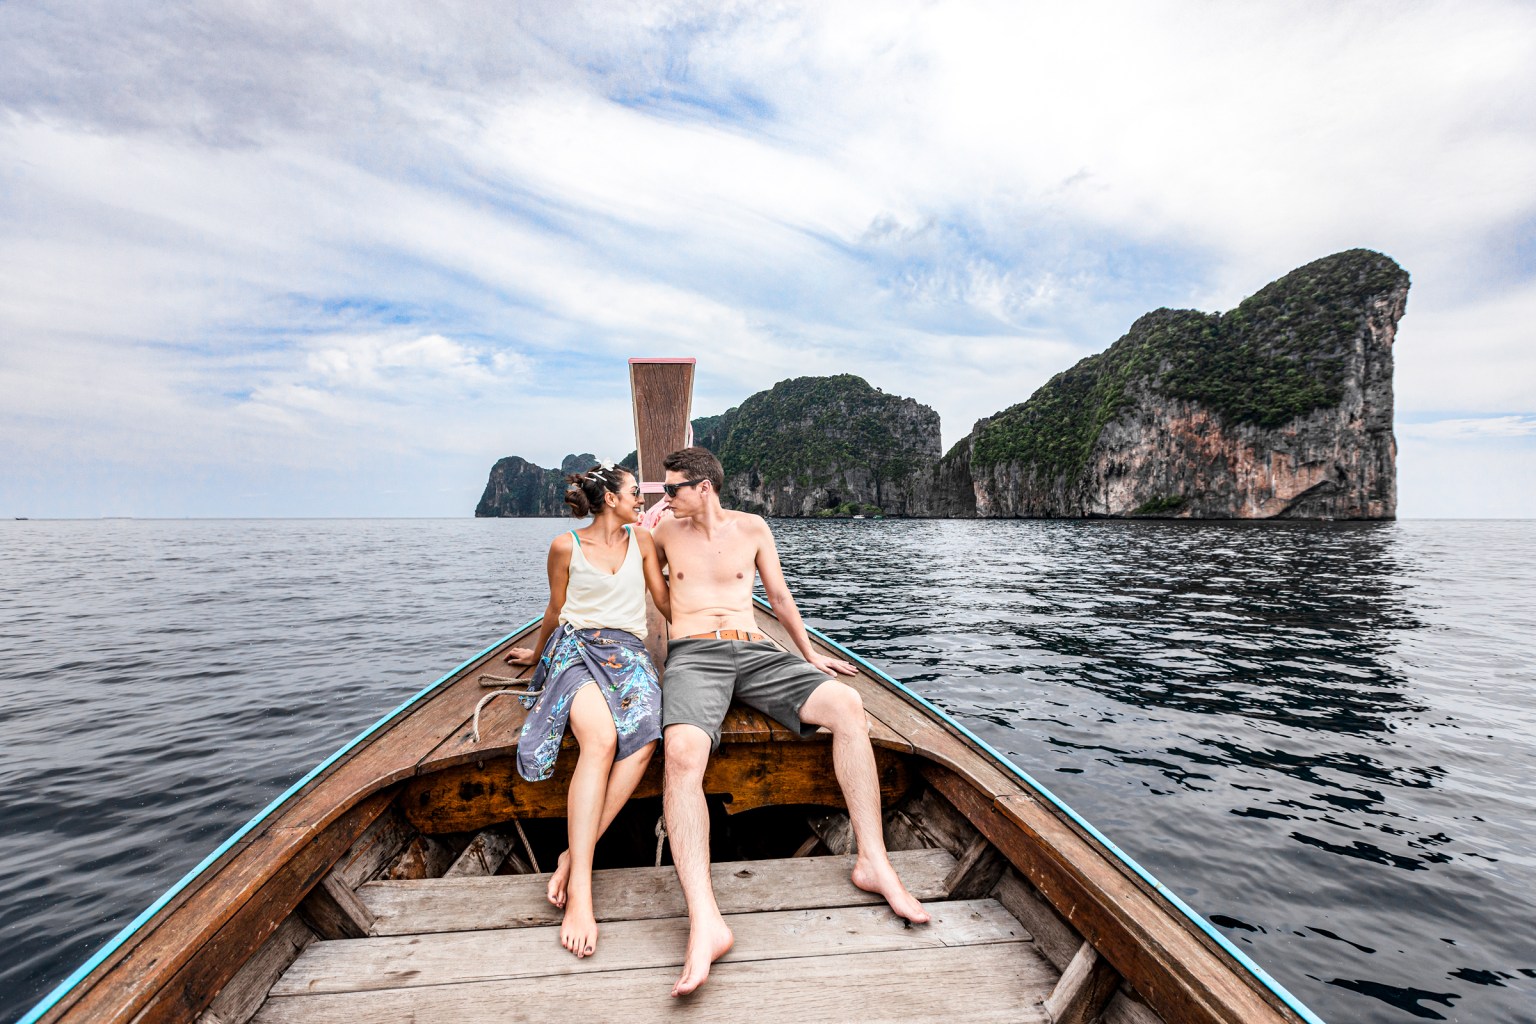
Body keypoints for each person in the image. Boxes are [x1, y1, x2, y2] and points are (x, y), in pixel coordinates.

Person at [651, 446, 931, 997]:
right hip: (695, 655)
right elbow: (657, 595)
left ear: (703, 486)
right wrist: (688, 625)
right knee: (682, 753)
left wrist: (809, 655)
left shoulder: (753, 528)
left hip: (756, 649)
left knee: (848, 706)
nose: (665, 497)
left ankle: (874, 861)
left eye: (672, 488)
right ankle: (706, 922)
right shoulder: (661, 533)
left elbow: (779, 597)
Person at [503, 462, 670, 959]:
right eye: (635, 492)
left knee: (646, 734)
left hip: (629, 653)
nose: (641, 499)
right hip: (575, 650)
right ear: (611, 499)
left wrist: (717, 631)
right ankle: (581, 892)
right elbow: (555, 610)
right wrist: (537, 656)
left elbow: (665, 603)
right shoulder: (565, 546)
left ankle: (573, 854)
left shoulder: (643, 541)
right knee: (601, 738)